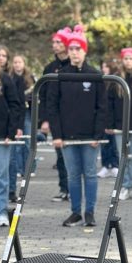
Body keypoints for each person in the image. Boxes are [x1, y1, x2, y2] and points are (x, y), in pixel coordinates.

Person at [47, 25, 107, 227]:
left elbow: (102, 107)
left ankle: (89, 212)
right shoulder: (60, 75)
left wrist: (98, 134)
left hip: (90, 136)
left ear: (84, 51)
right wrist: (57, 134)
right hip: (67, 136)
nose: (74, 53)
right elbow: (52, 107)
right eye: (71, 49)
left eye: (77, 49)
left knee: (90, 173)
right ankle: (75, 212)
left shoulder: (95, 74)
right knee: (73, 174)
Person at [107, 48, 132, 201]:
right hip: (119, 124)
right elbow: (109, 102)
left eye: (131, 58)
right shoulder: (116, 79)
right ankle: (124, 186)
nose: (128, 61)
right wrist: (109, 123)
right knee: (123, 157)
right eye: (126, 58)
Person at [40, 27, 72, 203]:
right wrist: (44, 119)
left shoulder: (75, 66)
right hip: (56, 118)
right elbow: (44, 96)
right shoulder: (49, 68)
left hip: (74, 119)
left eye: (59, 42)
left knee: (74, 157)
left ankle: (74, 189)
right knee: (60, 156)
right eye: (54, 42)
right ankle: (64, 188)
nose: (55, 45)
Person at [0, 48, 22, 227]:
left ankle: (1, 211)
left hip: (1, 137)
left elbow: (15, 106)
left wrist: (10, 133)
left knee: (0, 176)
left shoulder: (5, 79)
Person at [8, 54, 36, 203]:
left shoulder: (29, 78)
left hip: (26, 112)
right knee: (14, 151)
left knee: (27, 143)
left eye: (20, 62)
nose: (17, 64)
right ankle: (11, 187)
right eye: (15, 62)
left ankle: (29, 167)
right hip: (13, 113)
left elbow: (35, 96)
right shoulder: (9, 77)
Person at [97, 60, 119, 179]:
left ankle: (115, 165)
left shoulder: (115, 82)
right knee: (104, 143)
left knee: (114, 144)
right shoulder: (101, 81)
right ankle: (105, 166)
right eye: (103, 66)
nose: (104, 69)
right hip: (103, 117)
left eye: (106, 66)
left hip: (114, 118)